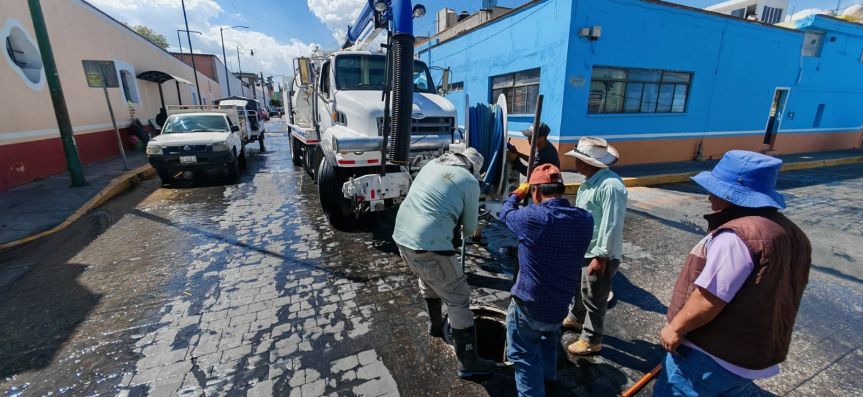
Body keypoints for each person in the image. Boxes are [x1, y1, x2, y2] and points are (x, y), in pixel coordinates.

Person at [655, 150, 811, 396]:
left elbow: (709, 298)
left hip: (710, 356)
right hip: (749, 356)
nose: (708, 196)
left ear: (732, 194)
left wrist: (675, 328)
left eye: (715, 189)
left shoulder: (736, 237)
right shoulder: (792, 232)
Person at [392, 148, 498, 379]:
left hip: (402, 239)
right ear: (472, 168)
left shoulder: (431, 165)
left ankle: (435, 325)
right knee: (458, 298)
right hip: (430, 245)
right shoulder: (469, 181)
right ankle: (468, 362)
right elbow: (470, 229)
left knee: (428, 279)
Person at [499, 164, 594, 396]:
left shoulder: (533, 218)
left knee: (523, 355)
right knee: (549, 337)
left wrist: (516, 194)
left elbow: (505, 214)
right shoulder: (585, 219)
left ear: (536, 192)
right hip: (560, 304)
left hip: (529, 306)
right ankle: (549, 378)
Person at [561, 137, 627, 356]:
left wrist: (601, 256)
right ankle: (577, 318)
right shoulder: (590, 181)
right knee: (581, 289)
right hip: (585, 248)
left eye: (579, 159)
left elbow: (611, 224)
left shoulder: (611, 186)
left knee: (595, 297)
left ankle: (592, 339)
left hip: (599, 253)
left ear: (590, 163)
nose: (576, 163)